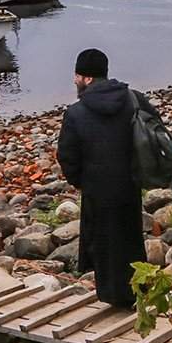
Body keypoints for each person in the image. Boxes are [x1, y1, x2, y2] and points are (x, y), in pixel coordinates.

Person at [57, 48, 149, 308]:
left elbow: (67, 156)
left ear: (86, 78)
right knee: (131, 238)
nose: (74, 81)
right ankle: (136, 292)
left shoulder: (75, 113)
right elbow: (150, 134)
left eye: (76, 76)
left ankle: (113, 296)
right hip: (130, 184)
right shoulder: (132, 99)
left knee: (103, 242)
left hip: (97, 189)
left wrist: (81, 181)